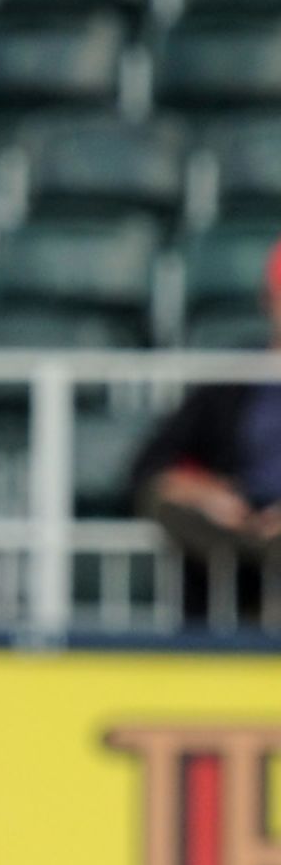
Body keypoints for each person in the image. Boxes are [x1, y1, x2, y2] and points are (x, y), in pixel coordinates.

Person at [130, 238, 281, 626]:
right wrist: (210, 495)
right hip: (234, 527)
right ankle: (249, 605)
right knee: (166, 503)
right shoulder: (230, 380)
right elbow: (150, 465)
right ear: (268, 300)